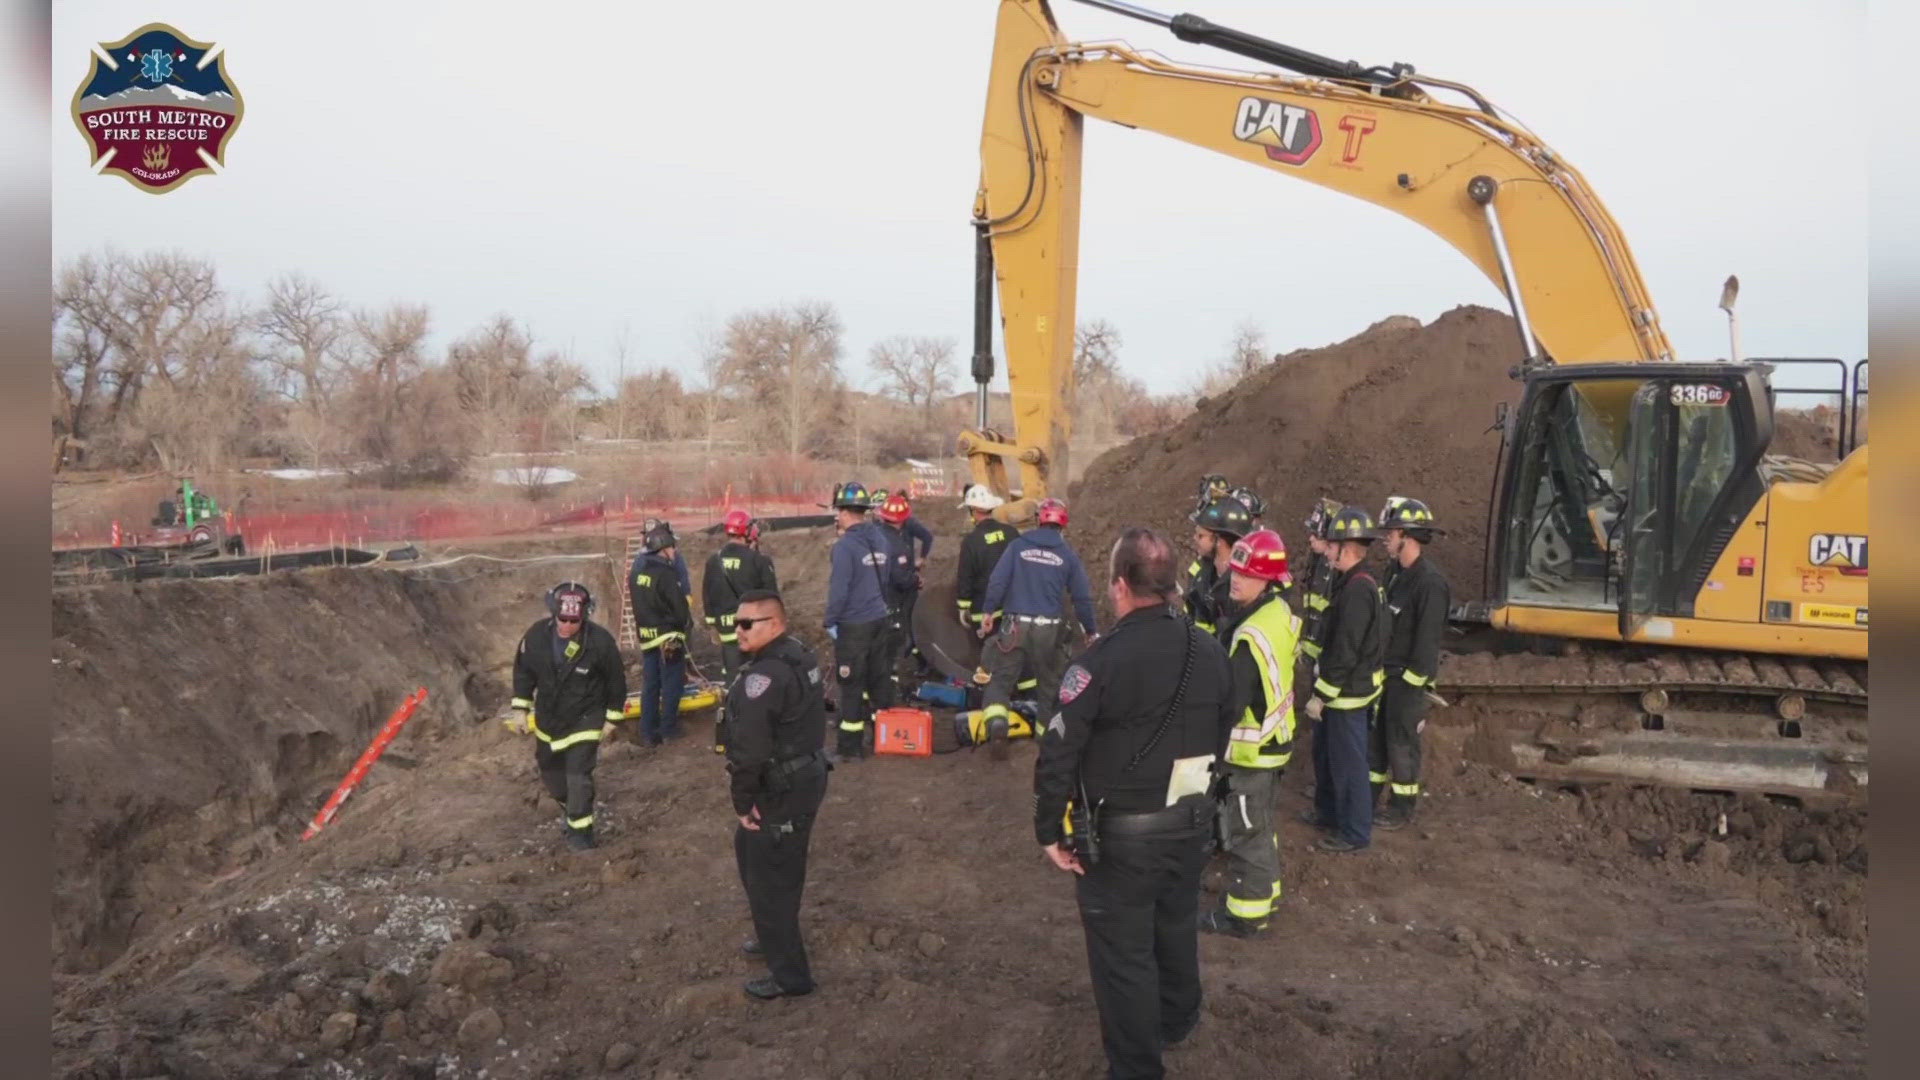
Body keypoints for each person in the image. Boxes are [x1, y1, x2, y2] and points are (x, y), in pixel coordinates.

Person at [1033, 527, 1237, 1080]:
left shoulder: (1099, 662)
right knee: (1174, 925)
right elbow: (1228, 717)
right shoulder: (1210, 648)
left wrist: (1048, 830)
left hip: (1122, 838)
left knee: (1123, 958)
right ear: (1170, 583)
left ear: (1120, 586)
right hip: (1191, 822)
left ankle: (1136, 1066)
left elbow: (1058, 751)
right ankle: (1178, 1018)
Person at [724, 590, 831, 1001]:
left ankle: (790, 977)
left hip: (782, 786)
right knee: (753, 856)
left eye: (747, 624)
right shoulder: (797, 654)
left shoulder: (762, 678)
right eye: (736, 622)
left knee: (772, 881)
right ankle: (771, 935)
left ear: (774, 624)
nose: (738, 630)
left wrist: (742, 801)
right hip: (803, 774)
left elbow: (750, 751)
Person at [1200, 529, 1300, 938]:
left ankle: (1246, 914)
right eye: (1236, 571)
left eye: (1246, 574)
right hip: (1274, 743)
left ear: (1268, 580)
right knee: (1260, 825)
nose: (1235, 579)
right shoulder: (1276, 612)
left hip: (1250, 752)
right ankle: (1268, 891)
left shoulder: (1249, 637)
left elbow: (1230, 704)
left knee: (1245, 832)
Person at [509, 582, 628, 851]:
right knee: (552, 775)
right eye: (562, 619)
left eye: (573, 621)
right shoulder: (536, 637)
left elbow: (615, 681)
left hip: (586, 717)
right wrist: (520, 708)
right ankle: (569, 806)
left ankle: (581, 833)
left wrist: (612, 718)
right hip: (548, 720)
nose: (567, 625)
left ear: (584, 616)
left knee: (578, 776)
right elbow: (523, 672)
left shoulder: (599, 642)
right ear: (553, 613)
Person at [979, 497, 1096, 754]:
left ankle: (998, 724)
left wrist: (988, 611)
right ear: (1063, 526)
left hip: (1015, 626)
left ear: (1038, 520)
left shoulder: (1017, 546)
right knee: (1049, 685)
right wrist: (1090, 630)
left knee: (1000, 680)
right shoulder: (1067, 556)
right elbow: (1082, 598)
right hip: (1049, 630)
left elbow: (997, 581)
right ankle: (1047, 741)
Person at [1301, 507, 1386, 853]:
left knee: (1350, 765)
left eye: (1333, 545)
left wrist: (1321, 695)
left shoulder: (1357, 591)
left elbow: (1345, 650)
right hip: (1345, 693)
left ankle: (1354, 832)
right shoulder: (1352, 583)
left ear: (1346, 548)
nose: (1327, 551)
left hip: (1347, 696)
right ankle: (1331, 815)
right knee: (1331, 758)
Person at [1373, 496, 1449, 830]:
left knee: (1401, 744)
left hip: (1407, 680)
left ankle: (1402, 807)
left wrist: (1413, 683)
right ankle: (1369, 798)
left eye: (1391, 532)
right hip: (1384, 675)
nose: (1386, 538)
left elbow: (1427, 641)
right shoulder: (1394, 574)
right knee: (1376, 743)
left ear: (1408, 535)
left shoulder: (1430, 583)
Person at [821, 481, 892, 760]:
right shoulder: (881, 540)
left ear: (846, 512)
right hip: (879, 619)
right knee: (879, 680)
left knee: (850, 686)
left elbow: (839, 590)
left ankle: (850, 748)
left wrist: (830, 621)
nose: (837, 516)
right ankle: (883, 737)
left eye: (838, 511)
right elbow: (883, 579)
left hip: (854, 625)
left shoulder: (845, 547)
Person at [704, 509, 780, 754]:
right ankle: (758, 730)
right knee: (758, 678)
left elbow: (708, 595)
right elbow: (772, 597)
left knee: (732, 678)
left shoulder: (713, 560)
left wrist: (713, 623)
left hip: (727, 630)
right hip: (754, 631)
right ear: (747, 531)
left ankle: (729, 733)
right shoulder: (758, 560)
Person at [629, 524, 694, 745]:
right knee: (672, 683)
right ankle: (668, 729)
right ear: (664, 548)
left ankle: (647, 732)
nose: (675, 551)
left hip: (647, 637)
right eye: (672, 547)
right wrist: (685, 623)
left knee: (650, 685)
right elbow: (679, 609)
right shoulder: (665, 574)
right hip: (668, 637)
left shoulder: (637, 573)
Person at [875, 492, 935, 691]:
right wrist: (916, 579)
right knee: (905, 629)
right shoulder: (896, 545)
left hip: (879, 594)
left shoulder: (875, 535)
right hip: (898, 593)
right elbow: (901, 579)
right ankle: (900, 670)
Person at [1187, 496, 1253, 639]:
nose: (1194, 539)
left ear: (1219, 541)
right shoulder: (1203, 574)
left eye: (1200, 536)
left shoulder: (1240, 588)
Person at [954, 484, 1018, 630]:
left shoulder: (971, 541)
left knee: (987, 650)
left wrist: (963, 606)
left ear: (974, 510)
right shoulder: (1011, 532)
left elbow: (965, 577)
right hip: (1012, 607)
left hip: (984, 612)